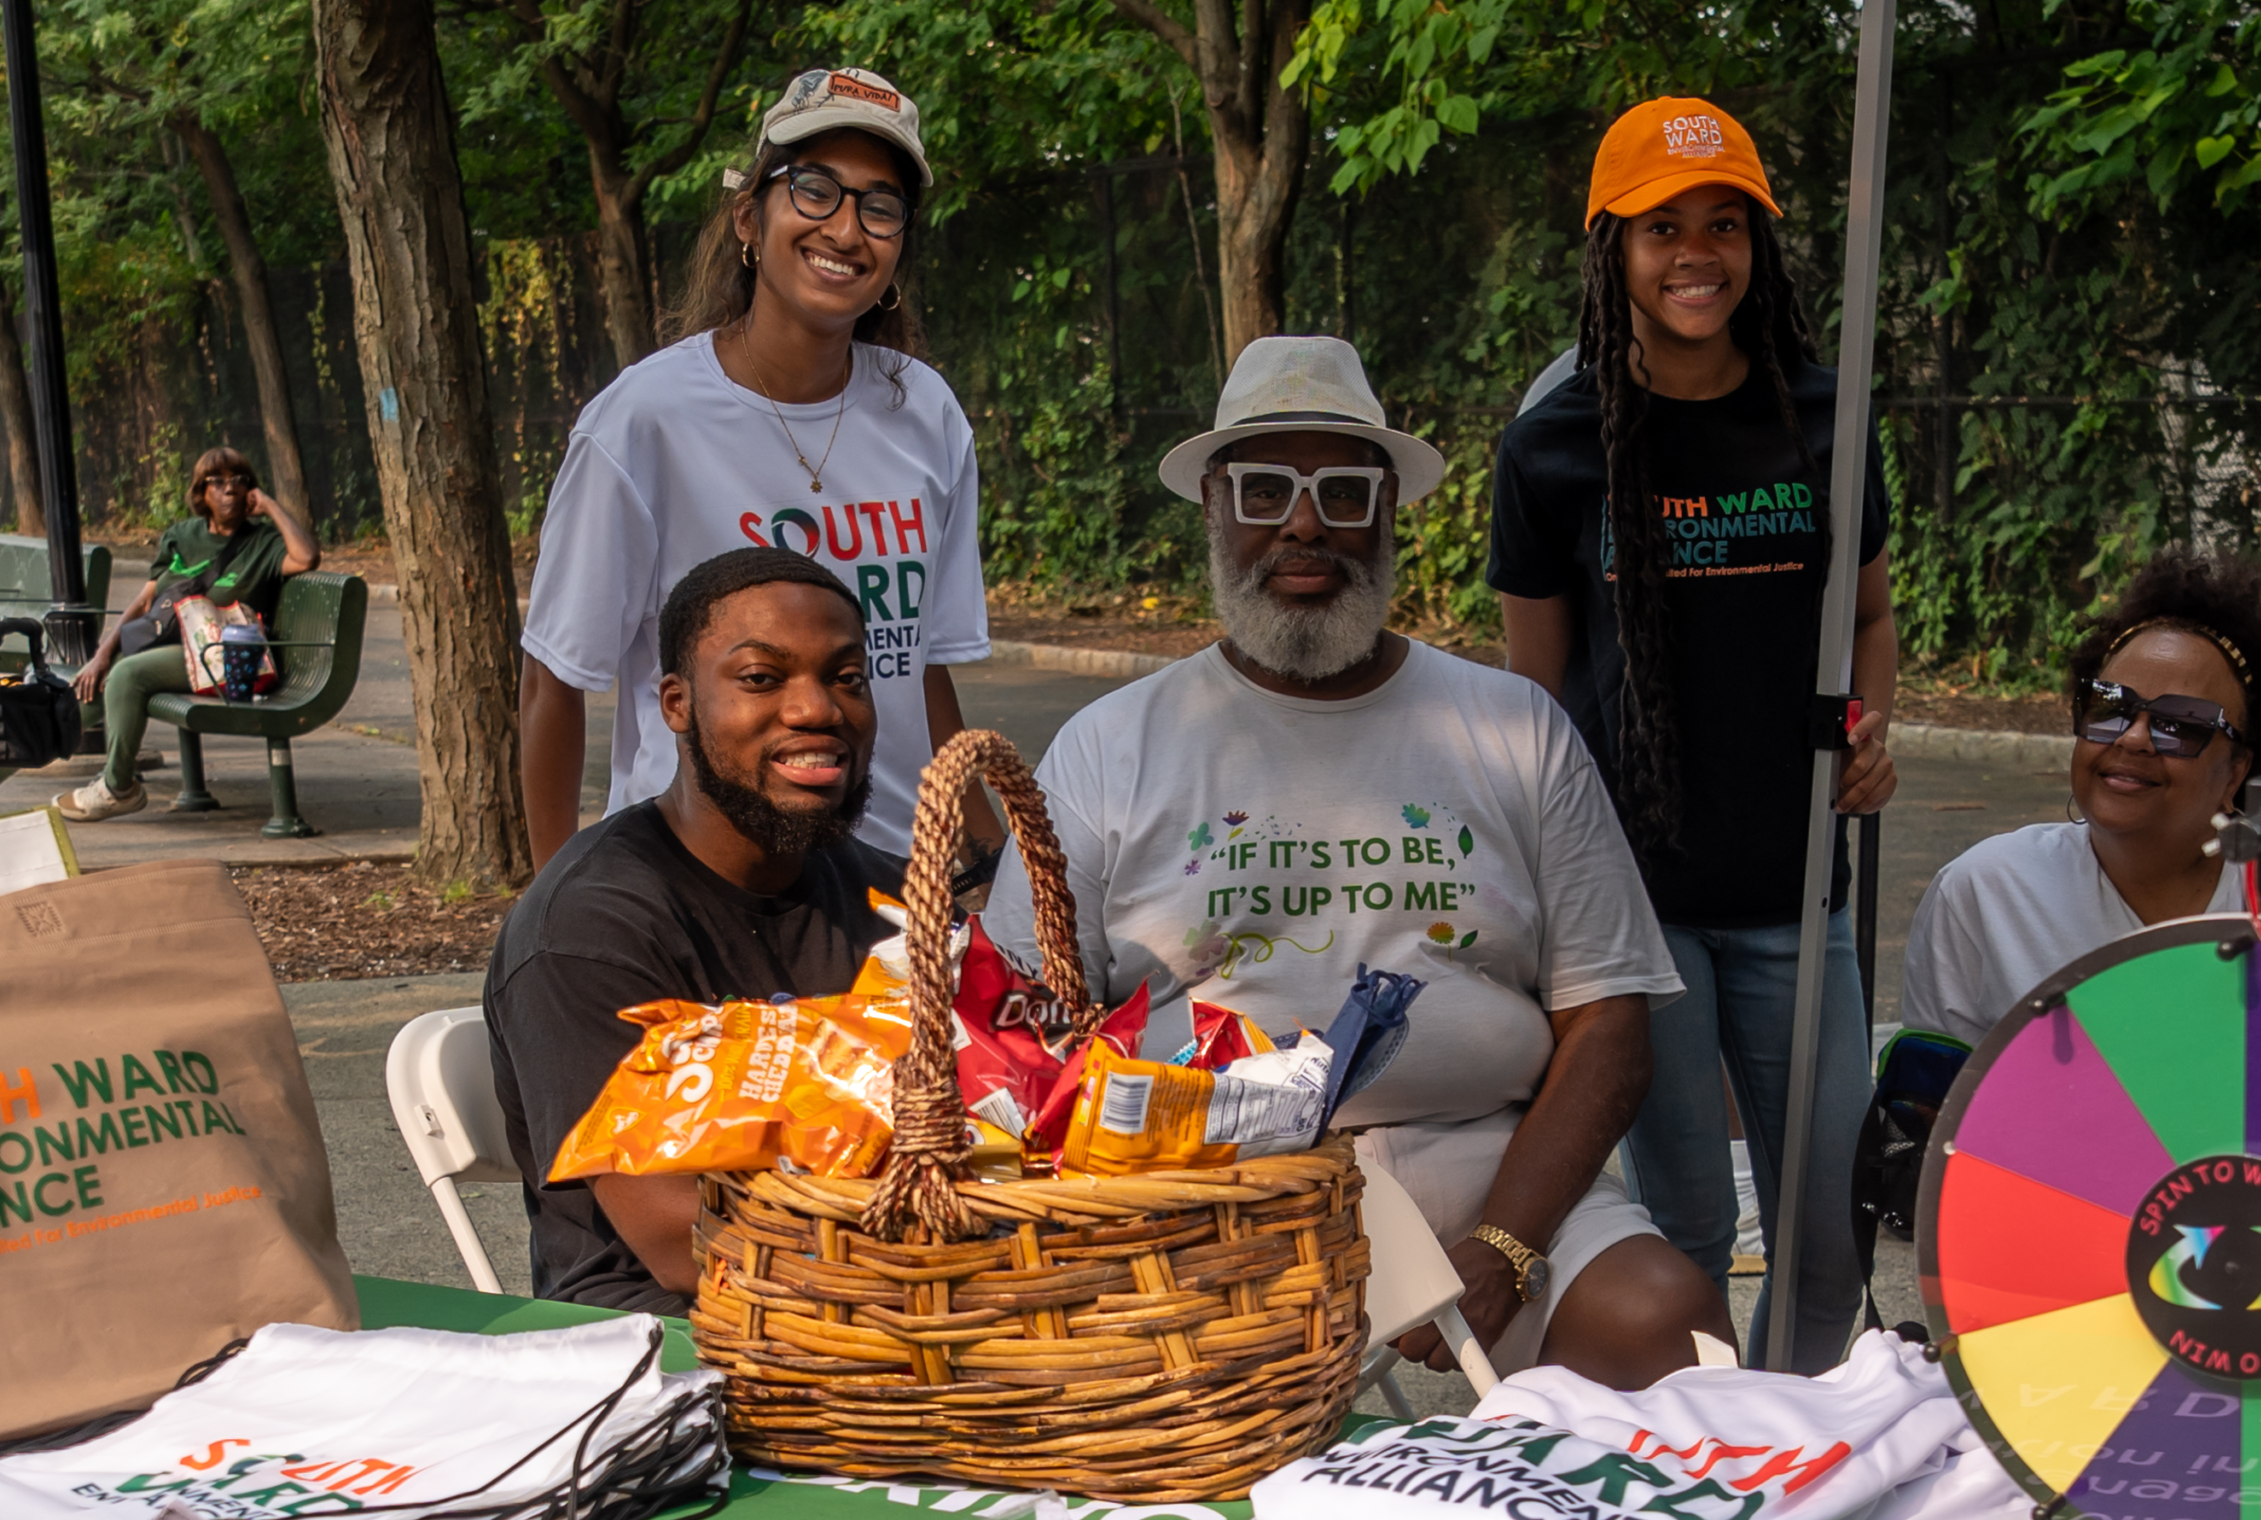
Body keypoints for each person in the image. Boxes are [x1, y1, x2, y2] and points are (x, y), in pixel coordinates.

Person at [983, 336, 1726, 1389]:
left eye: (1339, 489)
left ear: (1385, 509)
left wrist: (1510, 1246)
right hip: (1211, 1186)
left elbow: (1607, 1018)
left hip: (1484, 1165)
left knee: (1673, 1331)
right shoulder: (1109, 749)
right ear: (1210, 504)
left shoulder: (1513, 728)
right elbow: (1017, 1025)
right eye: (1263, 489)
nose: (1303, 523)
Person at [1487, 99, 1894, 1374]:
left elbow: (1867, 616)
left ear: (1759, 246)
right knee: (1690, 1230)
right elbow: (1537, 702)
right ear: (1612, 247)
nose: (1695, 253)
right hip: (1637, 913)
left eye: (1724, 224)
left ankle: (1811, 1435)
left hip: (1797, 891)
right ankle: (1719, 1457)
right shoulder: (1551, 448)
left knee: (1828, 1231)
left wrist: (1869, 727)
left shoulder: (1825, 421)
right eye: (1662, 228)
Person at [518, 65, 1000, 876]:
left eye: (881, 206)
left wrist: (995, 865)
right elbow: (553, 684)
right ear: (749, 215)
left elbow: (922, 673)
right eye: (815, 190)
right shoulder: (644, 422)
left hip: (894, 894)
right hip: (699, 884)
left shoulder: (927, 414)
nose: (847, 231)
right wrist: (554, 911)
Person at [486, 547, 905, 1312]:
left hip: (909, 1300)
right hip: (676, 1343)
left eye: (847, 677)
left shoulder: (901, 897)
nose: (817, 708)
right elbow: (682, 1243)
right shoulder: (588, 926)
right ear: (676, 704)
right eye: (761, 678)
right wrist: (950, 1266)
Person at [1901, 547, 2261, 1044]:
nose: (2133, 739)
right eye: (2110, 707)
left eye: (2181, 724)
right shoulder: (1986, 893)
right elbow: (1935, 1116)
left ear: (2236, 772)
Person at [56, 446, 320, 822]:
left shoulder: (263, 543)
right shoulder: (181, 535)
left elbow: (307, 558)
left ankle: (118, 788)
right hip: (167, 643)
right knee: (82, 694)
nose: (230, 489)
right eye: (218, 482)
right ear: (201, 492)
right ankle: (23, 745)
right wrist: (101, 653)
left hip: (223, 657)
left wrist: (273, 507)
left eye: (239, 481)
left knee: (128, 675)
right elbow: (147, 601)